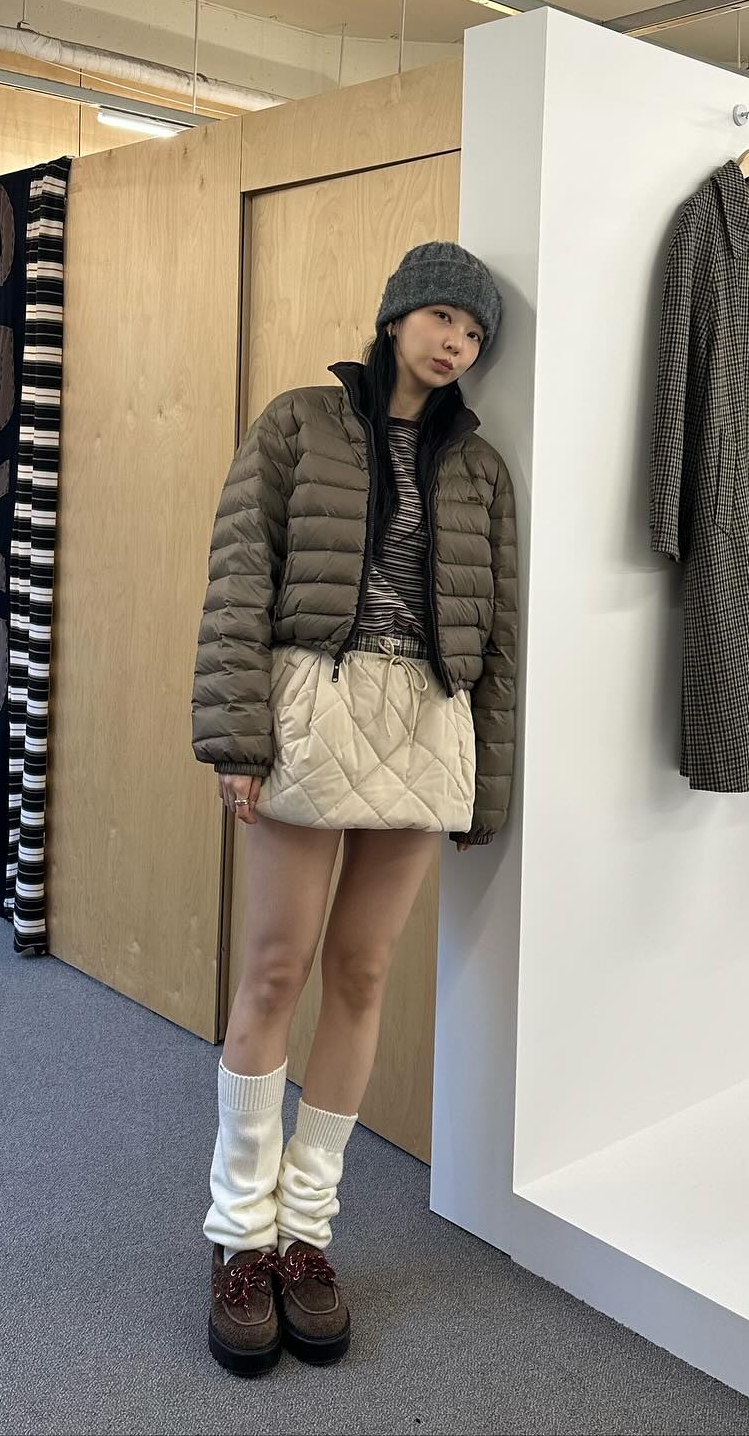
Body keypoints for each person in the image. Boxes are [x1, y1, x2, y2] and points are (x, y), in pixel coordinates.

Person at [190, 240, 519, 1377]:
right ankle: (239, 1233)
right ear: (395, 317)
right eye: (441, 317)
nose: (455, 342)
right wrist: (236, 736)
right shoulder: (297, 422)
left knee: (365, 973)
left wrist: (487, 781)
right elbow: (239, 577)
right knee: (274, 969)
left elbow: (501, 642)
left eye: (473, 332)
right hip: (312, 706)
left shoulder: (483, 469)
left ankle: (306, 1235)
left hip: (431, 722)